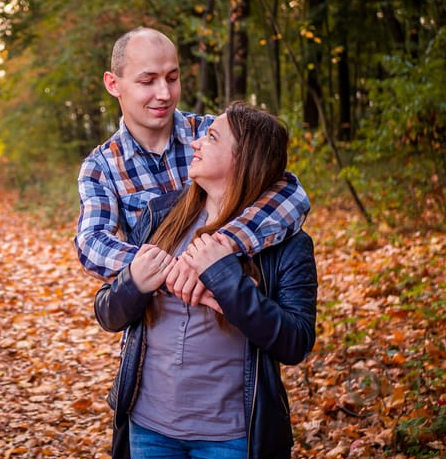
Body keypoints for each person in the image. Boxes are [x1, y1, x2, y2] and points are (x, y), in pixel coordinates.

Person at [94, 102, 319, 459]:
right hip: (148, 427)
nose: (195, 143)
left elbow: (296, 342)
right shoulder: (161, 216)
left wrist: (225, 278)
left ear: (245, 159)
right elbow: (107, 313)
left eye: (212, 137)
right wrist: (134, 283)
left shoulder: (288, 244)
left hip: (231, 437)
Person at [74, 27, 310, 283]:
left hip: (240, 293)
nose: (164, 94)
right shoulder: (102, 167)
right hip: (162, 303)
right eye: (148, 81)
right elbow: (92, 243)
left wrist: (226, 244)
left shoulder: (214, 133)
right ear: (113, 84)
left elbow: (291, 194)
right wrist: (173, 271)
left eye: (172, 78)